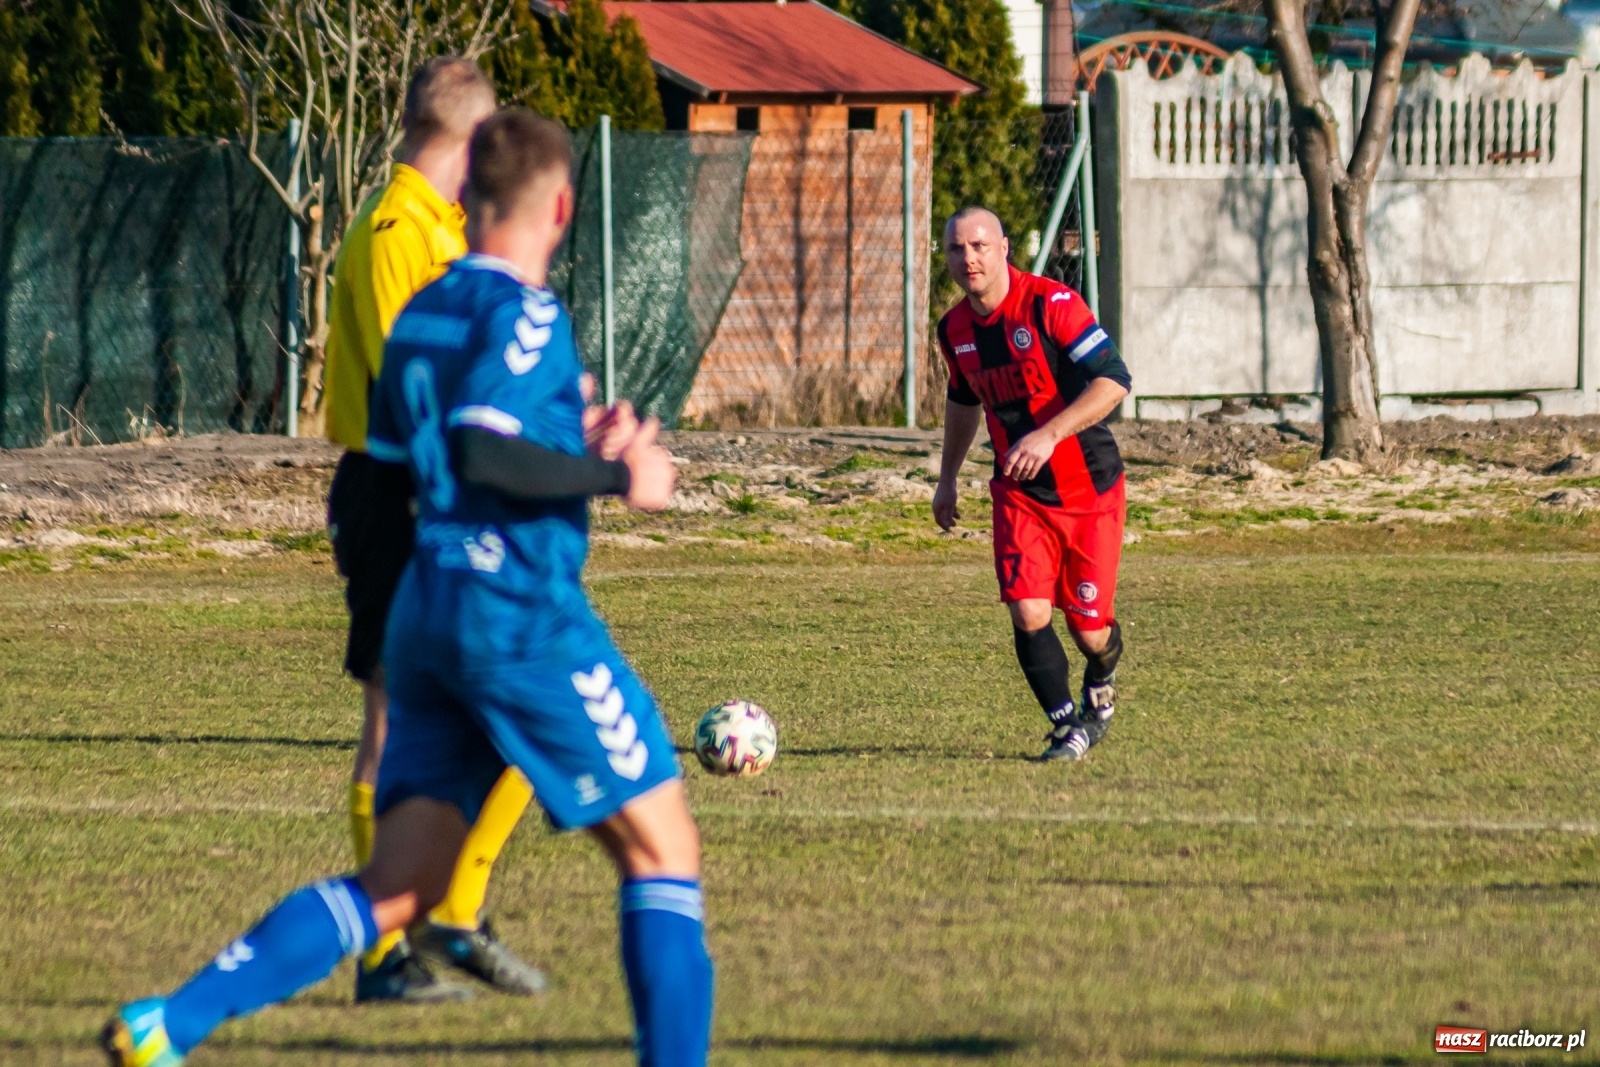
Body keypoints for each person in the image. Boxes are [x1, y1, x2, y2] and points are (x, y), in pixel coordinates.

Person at [101, 109, 713, 1067]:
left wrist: (567, 438)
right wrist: (617, 477)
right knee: (663, 850)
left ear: (466, 198)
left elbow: (420, 461)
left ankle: (166, 1024)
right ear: (560, 205)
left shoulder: (423, 311)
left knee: (398, 887)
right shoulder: (527, 311)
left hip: (427, 607)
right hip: (513, 612)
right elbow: (479, 446)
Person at [321, 56, 542, 1000]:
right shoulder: (389, 233)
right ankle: (384, 955)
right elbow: (411, 391)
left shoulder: (450, 229)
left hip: (457, 488)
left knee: (521, 707)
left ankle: (454, 917)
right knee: (393, 726)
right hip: (400, 490)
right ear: (465, 137)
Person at [932, 206, 1132, 762]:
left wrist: (1050, 433)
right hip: (1020, 494)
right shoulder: (954, 330)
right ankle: (1068, 724)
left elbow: (1115, 380)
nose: (968, 258)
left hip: (1089, 490)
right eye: (955, 248)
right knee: (1028, 611)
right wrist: (947, 479)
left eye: (978, 245)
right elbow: (963, 400)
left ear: (1003, 248)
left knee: (1090, 630)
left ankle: (1103, 673)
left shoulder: (1051, 305)